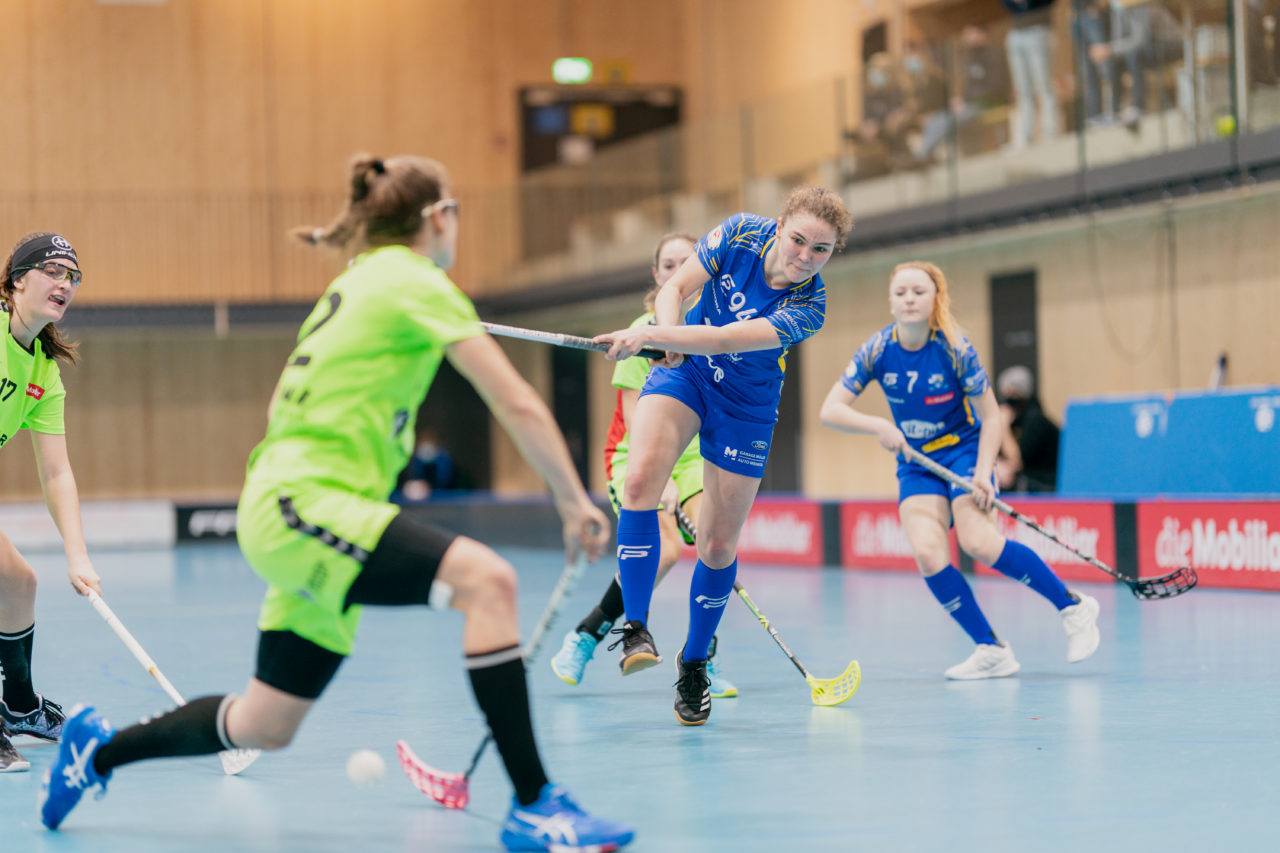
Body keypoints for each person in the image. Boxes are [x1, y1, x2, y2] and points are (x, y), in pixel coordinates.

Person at [40, 154, 635, 852]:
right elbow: (514, 399)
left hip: (300, 508)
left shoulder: (354, 284)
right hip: (308, 504)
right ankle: (535, 802)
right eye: (458, 213)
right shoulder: (418, 280)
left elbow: (281, 396)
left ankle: (97, 752)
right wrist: (572, 499)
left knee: (266, 722)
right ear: (437, 218)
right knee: (490, 580)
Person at [593, 187, 853, 725]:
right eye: (798, 239)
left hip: (745, 407)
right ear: (779, 226)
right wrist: (659, 335)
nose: (804, 255)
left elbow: (724, 339)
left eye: (820, 250)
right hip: (685, 374)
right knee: (640, 481)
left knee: (716, 542)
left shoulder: (810, 306)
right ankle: (636, 628)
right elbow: (678, 286)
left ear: (833, 253)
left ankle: (694, 664)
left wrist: (657, 336)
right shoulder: (739, 231)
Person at [819, 261, 1099, 680]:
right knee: (928, 554)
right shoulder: (876, 350)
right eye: (900, 293)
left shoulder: (954, 347)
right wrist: (879, 426)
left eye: (919, 291)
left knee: (980, 542)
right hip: (916, 464)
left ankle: (1072, 607)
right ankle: (990, 649)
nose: (909, 299)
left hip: (963, 454)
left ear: (935, 300)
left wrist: (985, 471)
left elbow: (992, 417)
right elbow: (830, 410)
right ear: (890, 302)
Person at [549, 233, 736, 699]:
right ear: (657, 276)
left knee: (718, 543)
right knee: (668, 547)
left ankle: (699, 661)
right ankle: (588, 635)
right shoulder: (643, 329)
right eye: (668, 265)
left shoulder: (716, 328)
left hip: (699, 456)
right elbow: (637, 423)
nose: (677, 272)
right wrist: (666, 481)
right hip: (637, 454)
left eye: (685, 263)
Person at [0, 233, 101, 773]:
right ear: (17, 279)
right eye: (54, 271)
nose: (66, 284)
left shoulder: (42, 370)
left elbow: (57, 471)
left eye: (74, 276)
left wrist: (77, 555)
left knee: (18, 583)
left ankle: (18, 706)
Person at [913, 25, 1011, 161]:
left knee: (947, 121)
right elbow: (969, 87)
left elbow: (995, 86)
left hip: (989, 102)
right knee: (934, 120)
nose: (968, 38)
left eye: (971, 33)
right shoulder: (971, 58)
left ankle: (923, 155)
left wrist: (968, 101)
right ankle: (925, 153)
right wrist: (961, 99)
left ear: (981, 33)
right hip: (971, 104)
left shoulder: (994, 55)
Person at [1002, 0, 1060, 147]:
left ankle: (1051, 131)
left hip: (1038, 31)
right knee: (1023, 90)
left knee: (1043, 85)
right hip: (1017, 33)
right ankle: (1026, 136)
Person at [994, 365, 1060, 492]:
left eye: (1012, 394)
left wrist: (1003, 427)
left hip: (1044, 486)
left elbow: (1016, 462)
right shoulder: (1015, 420)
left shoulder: (1036, 421)